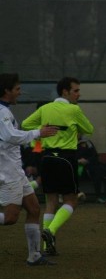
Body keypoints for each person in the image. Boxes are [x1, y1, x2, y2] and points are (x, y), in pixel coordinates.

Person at [22, 77, 94, 256]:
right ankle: (51, 231)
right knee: (71, 200)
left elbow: (25, 124)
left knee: (50, 202)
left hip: (47, 158)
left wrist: (43, 129)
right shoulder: (73, 109)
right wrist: (73, 128)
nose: (78, 93)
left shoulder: (45, 108)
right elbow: (89, 129)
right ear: (65, 92)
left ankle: (47, 246)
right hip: (66, 158)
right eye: (75, 90)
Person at [0, 73, 58, 265]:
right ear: (6, 91)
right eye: (17, 89)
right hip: (7, 174)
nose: (20, 92)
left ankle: (34, 256)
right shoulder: (1, 112)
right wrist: (37, 133)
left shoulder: (5, 111)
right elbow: (10, 136)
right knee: (10, 218)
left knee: (34, 209)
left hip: (16, 171)